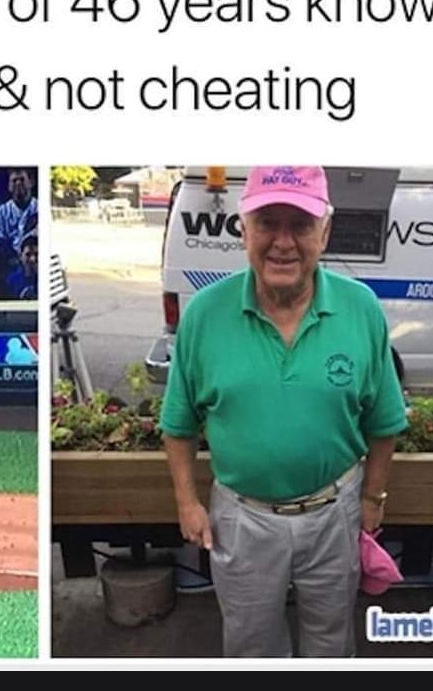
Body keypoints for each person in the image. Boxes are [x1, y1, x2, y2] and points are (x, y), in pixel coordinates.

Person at [159, 165, 408, 659]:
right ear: (243, 229)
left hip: (334, 511)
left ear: (325, 231)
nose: (283, 242)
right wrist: (188, 502)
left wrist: (373, 499)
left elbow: (384, 423)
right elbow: (178, 423)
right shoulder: (205, 314)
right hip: (242, 517)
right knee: (252, 648)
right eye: (268, 222)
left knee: (332, 644)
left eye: (300, 225)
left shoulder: (361, 309)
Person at [0, 169, 38, 258]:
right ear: (9, 186)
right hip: (11, 261)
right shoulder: (1, 212)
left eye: (22, 180)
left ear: (31, 182)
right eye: (14, 180)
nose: (18, 183)